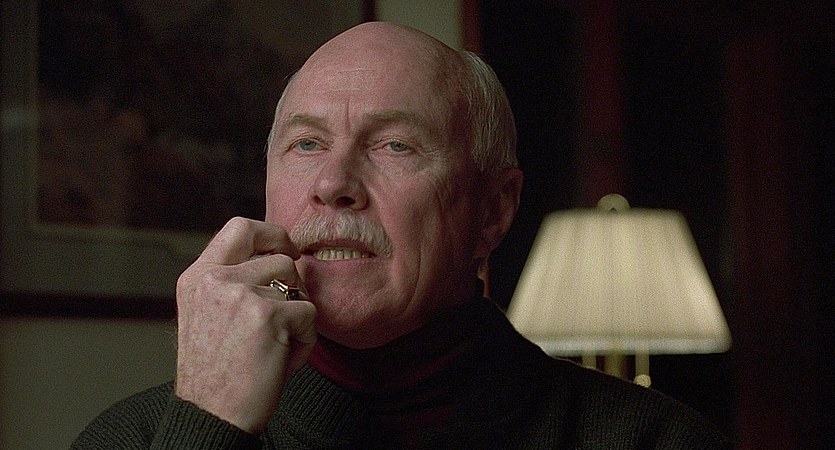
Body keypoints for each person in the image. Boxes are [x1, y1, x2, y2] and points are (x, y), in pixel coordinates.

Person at [72, 22, 729, 449]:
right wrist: (209, 425)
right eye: (307, 144)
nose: (334, 184)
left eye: (394, 145)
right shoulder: (137, 436)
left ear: (493, 211)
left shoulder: (652, 439)